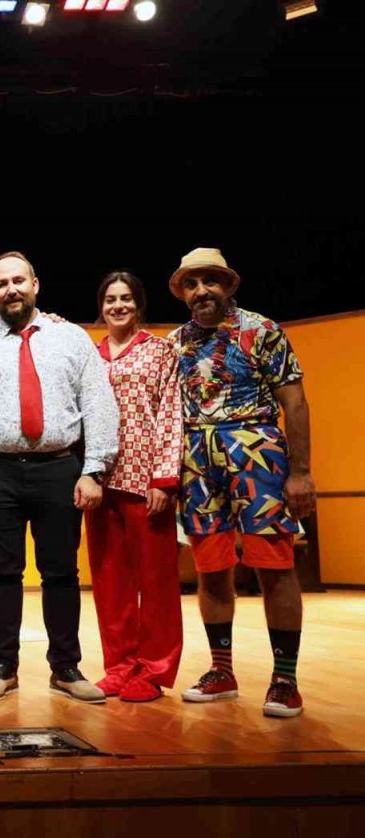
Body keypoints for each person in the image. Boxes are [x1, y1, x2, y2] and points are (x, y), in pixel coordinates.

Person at [0, 251, 118, 704]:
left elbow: (99, 404)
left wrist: (94, 470)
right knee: (2, 572)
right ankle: (3, 667)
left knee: (61, 573)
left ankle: (65, 667)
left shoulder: (72, 339)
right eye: (1, 284)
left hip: (59, 468)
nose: (11, 290)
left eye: (18, 281)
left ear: (36, 284)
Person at [168, 248, 315, 718]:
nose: (201, 291)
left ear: (229, 285)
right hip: (198, 462)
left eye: (210, 281)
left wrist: (300, 472)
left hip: (258, 458)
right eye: (191, 284)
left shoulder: (263, 331)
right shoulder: (176, 343)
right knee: (210, 568)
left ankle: (285, 679)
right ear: (182, 293)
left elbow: (295, 404)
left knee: (275, 565)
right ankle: (221, 671)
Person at [84, 271, 183, 703]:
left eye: (126, 298)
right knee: (110, 582)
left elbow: (171, 414)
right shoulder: (92, 355)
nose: (118, 306)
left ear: (138, 304)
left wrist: (165, 477)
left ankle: (155, 669)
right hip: (101, 482)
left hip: (146, 482)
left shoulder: (160, 352)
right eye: (110, 299)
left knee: (157, 582)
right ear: (101, 306)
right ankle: (120, 665)